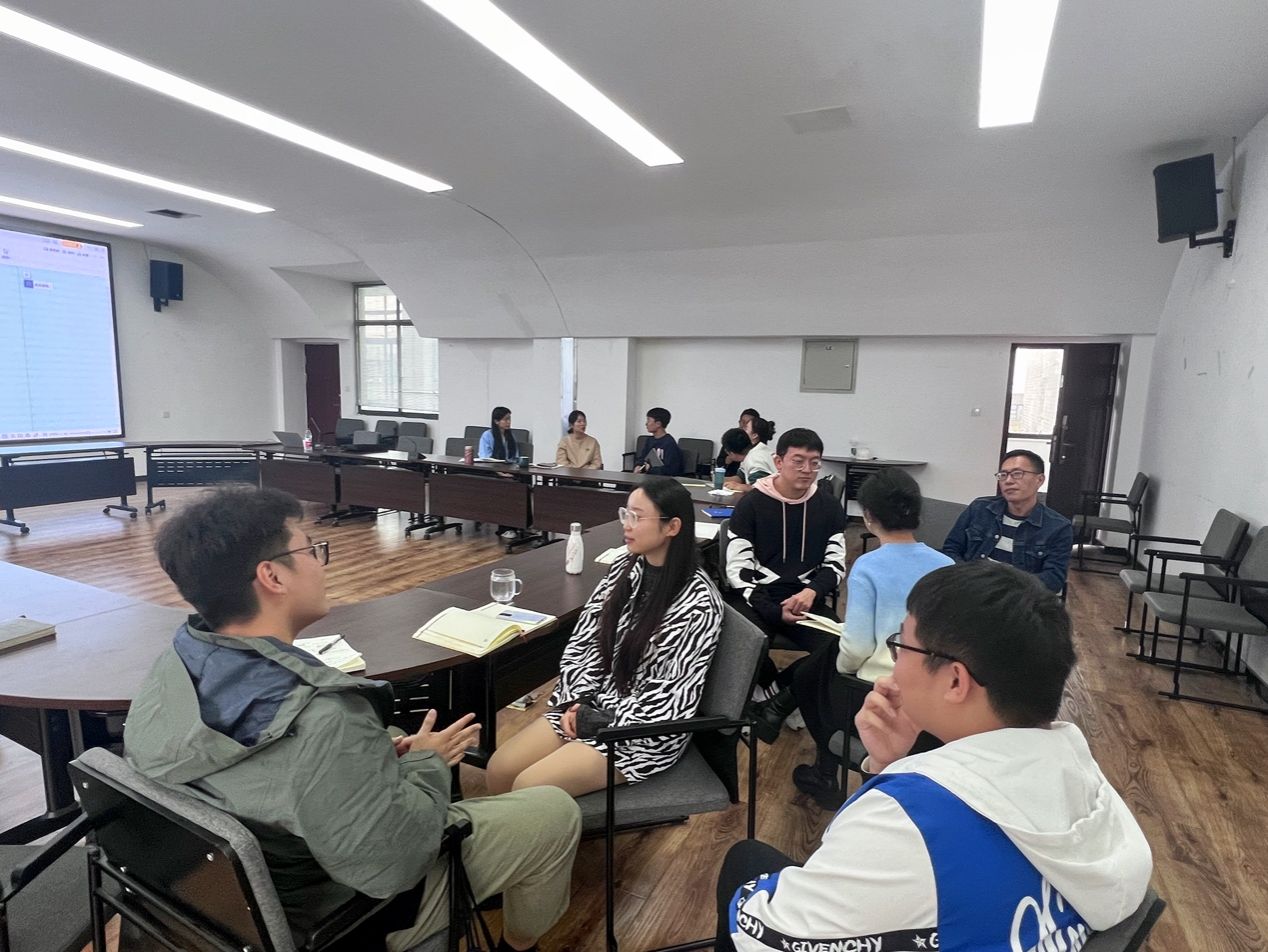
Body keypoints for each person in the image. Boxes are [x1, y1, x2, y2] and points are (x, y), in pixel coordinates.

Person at [124, 486, 580, 952]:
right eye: (310, 550)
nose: (321, 563)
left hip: (220, 901)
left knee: (393, 734)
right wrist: (425, 764)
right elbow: (392, 869)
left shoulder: (175, 663)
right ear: (272, 576)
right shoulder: (326, 714)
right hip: (335, 917)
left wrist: (374, 758)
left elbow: (265, 775)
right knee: (553, 811)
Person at [716, 560, 1153, 952]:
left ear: (955, 681)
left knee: (746, 862)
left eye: (902, 646)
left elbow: (766, 933)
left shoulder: (906, 822)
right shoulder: (1079, 769)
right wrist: (890, 767)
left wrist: (896, 789)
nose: (894, 664)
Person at [486, 477, 723, 796]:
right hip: (594, 702)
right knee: (500, 768)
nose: (627, 524)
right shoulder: (625, 566)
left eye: (637, 517)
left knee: (528, 785)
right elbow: (585, 642)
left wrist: (595, 720)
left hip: (641, 733)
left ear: (672, 526)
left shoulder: (698, 604)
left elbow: (669, 700)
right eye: (625, 514)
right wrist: (578, 701)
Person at [783, 468, 952, 806]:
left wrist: (844, 662)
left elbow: (858, 648)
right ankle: (821, 766)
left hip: (877, 689)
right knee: (820, 664)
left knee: (812, 678)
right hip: (934, 691)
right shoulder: (946, 565)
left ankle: (828, 770)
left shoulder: (869, 565)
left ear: (869, 516)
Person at [725, 427, 846, 709]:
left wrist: (811, 592)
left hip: (805, 598)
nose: (807, 470)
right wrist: (772, 609)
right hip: (757, 597)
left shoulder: (828, 507)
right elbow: (738, 569)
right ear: (778, 462)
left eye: (814, 463)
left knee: (842, 650)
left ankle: (775, 696)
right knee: (746, 643)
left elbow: (835, 564)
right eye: (798, 461)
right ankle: (769, 694)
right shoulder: (751, 504)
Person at [942, 449, 1073, 593]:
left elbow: (1053, 579)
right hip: (970, 590)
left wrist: (1003, 587)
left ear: (1039, 480)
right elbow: (951, 549)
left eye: (1017, 474)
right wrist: (969, 579)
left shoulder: (1058, 527)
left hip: (1018, 598)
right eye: (1003, 475)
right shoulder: (980, 508)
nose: (1008, 481)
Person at [725, 417, 776, 491]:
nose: (742, 430)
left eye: (746, 428)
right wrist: (719, 479)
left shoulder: (756, 456)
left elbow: (762, 488)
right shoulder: (751, 453)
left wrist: (740, 487)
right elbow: (741, 477)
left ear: (754, 435)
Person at [632, 407, 684, 476]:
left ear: (658, 424)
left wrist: (650, 469)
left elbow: (671, 469)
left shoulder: (669, 443)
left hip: (662, 479)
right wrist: (638, 465)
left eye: (649, 420)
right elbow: (642, 457)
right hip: (648, 476)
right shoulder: (649, 440)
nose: (646, 424)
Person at [717, 408, 761, 477]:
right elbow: (720, 461)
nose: (744, 425)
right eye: (742, 422)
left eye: (748, 423)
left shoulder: (757, 443)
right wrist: (727, 460)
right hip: (730, 475)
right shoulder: (732, 437)